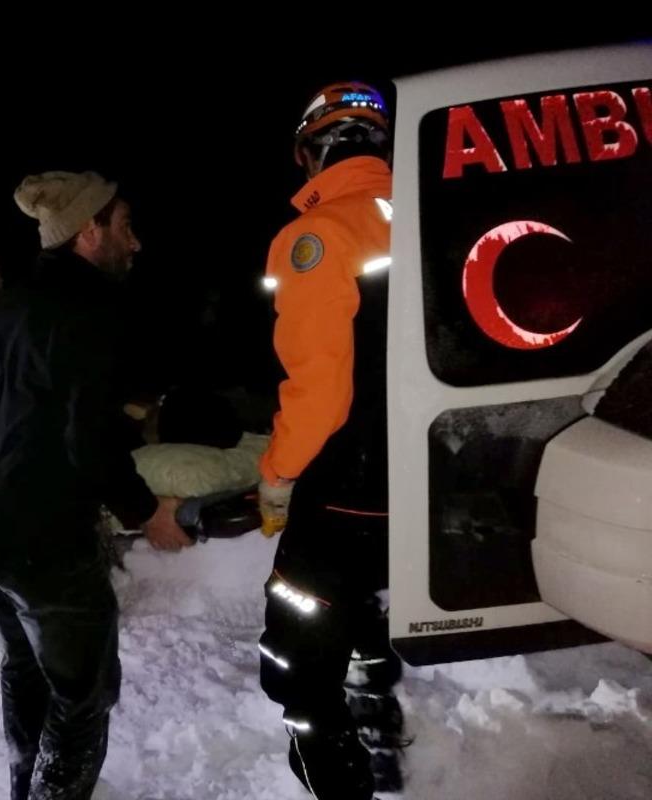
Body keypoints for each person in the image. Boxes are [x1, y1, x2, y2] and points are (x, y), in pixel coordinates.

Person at [0, 171, 192, 799]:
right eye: (125, 226)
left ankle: (24, 784)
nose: (134, 243)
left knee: (24, 665)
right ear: (90, 231)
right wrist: (148, 513)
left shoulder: (4, 310)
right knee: (83, 694)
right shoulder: (83, 314)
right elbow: (93, 441)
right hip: (41, 540)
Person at [256, 82, 405, 797]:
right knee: (370, 601)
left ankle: (341, 773)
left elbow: (320, 388)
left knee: (297, 661)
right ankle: (380, 721)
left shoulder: (319, 236)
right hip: (427, 474)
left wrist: (277, 475)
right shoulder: (430, 216)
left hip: (347, 484)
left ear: (311, 153)